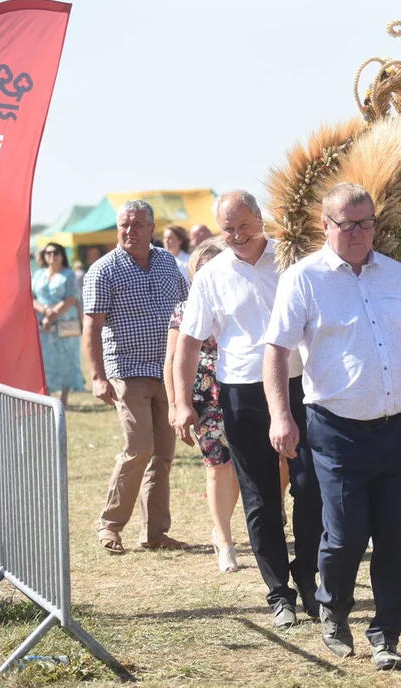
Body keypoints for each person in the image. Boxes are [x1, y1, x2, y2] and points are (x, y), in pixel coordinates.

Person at [264, 182, 401, 671]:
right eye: (348, 224)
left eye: (367, 223)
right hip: (336, 429)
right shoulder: (303, 279)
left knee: (393, 538)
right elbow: (275, 350)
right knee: (343, 535)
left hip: (400, 425)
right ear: (326, 225)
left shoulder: (398, 275)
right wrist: (281, 415)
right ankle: (333, 606)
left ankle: (386, 634)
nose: (360, 232)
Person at [173, 190, 323, 626]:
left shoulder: (292, 260)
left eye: (244, 225)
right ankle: (279, 593)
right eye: (228, 228)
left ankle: (308, 579)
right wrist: (182, 401)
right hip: (241, 393)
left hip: (299, 385)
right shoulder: (211, 275)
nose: (237, 235)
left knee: (310, 485)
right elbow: (188, 340)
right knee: (259, 498)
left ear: (261, 218)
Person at [83, 200, 189, 555]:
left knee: (163, 454)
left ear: (152, 228)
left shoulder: (167, 262)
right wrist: (98, 376)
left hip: (168, 371)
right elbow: (91, 328)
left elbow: (186, 310)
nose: (130, 231)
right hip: (128, 372)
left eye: (137, 225)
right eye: (124, 225)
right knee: (139, 448)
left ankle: (156, 532)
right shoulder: (103, 270)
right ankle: (109, 525)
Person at [164, 238, 240, 573]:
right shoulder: (184, 308)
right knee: (216, 465)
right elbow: (171, 361)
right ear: (195, 271)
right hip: (205, 398)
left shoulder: (236, 301)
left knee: (240, 469)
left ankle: (220, 525)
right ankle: (224, 541)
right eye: (203, 265)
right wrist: (175, 404)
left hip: (241, 391)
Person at [31, 243, 85, 408]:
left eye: (55, 252)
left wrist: (52, 315)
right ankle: (45, 396)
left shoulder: (68, 275)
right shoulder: (38, 274)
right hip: (43, 324)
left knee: (67, 359)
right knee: (44, 359)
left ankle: (64, 398)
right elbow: (32, 297)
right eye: (48, 253)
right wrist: (46, 312)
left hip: (65, 323)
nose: (51, 256)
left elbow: (71, 298)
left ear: (62, 255)